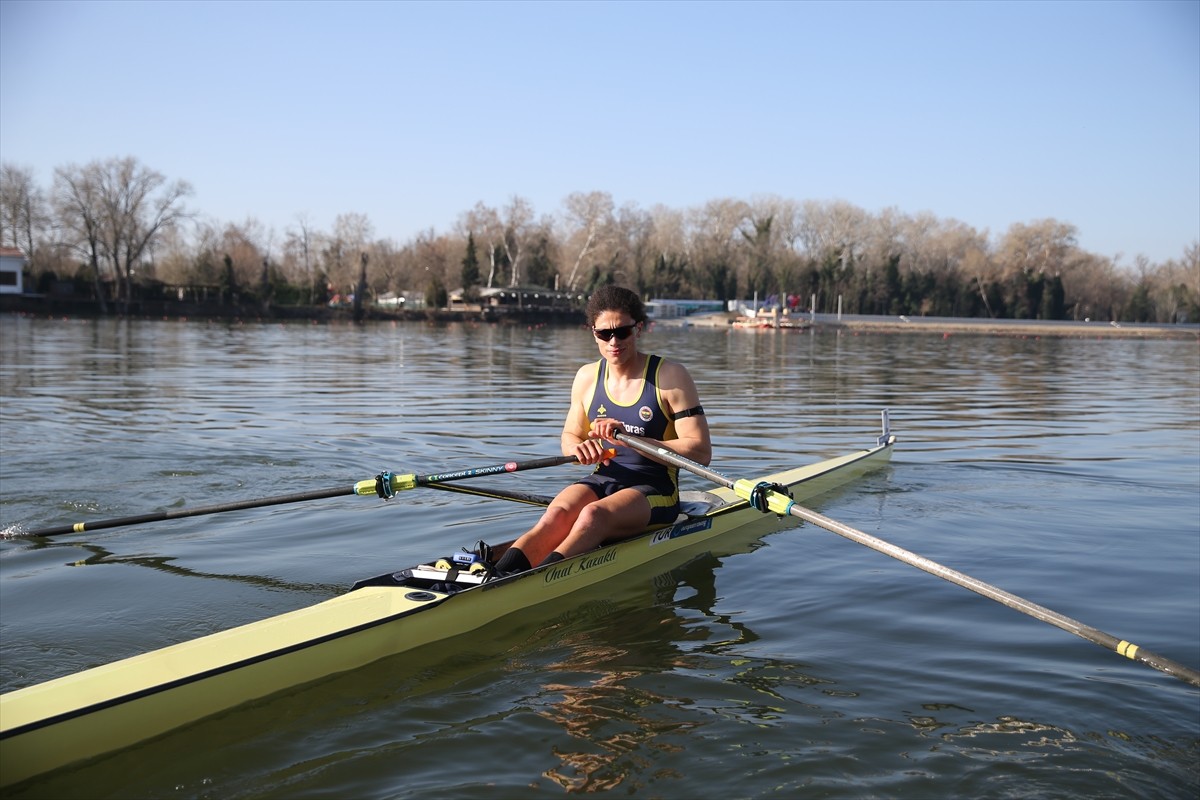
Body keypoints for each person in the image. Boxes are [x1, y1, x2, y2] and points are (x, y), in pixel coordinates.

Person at [492, 285, 712, 575]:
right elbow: (570, 437)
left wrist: (632, 440)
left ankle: (531, 582)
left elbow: (701, 452)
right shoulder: (586, 377)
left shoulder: (670, 376)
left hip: (656, 487)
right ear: (593, 332)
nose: (613, 341)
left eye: (622, 332)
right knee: (555, 516)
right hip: (603, 478)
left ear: (638, 329)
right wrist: (579, 449)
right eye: (604, 334)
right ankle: (496, 577)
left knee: (592, 515)